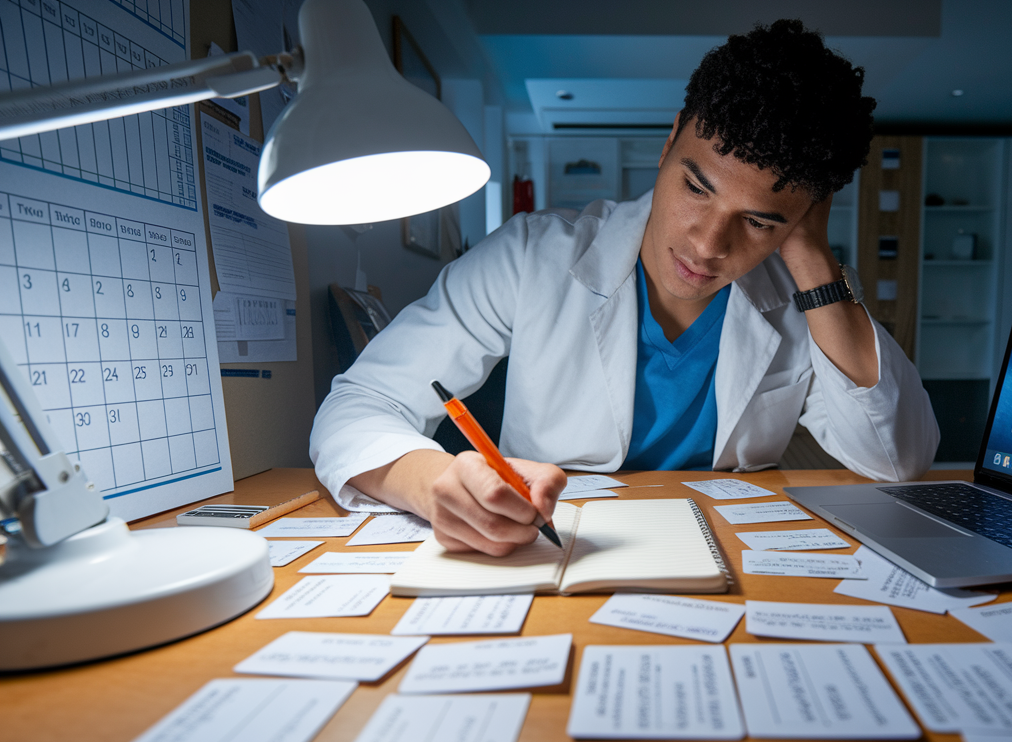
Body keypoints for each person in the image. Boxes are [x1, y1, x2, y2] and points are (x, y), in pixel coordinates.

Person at [310, 19, 940, 556]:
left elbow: (897, 459)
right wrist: (434, 483)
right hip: (551, 554)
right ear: (669, 141)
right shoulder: (531, 255)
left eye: (758, 221)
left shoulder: (806, 296)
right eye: (697, 187)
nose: (707, 245)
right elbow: (357, 407)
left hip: (728, 557)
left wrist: (809, 255)